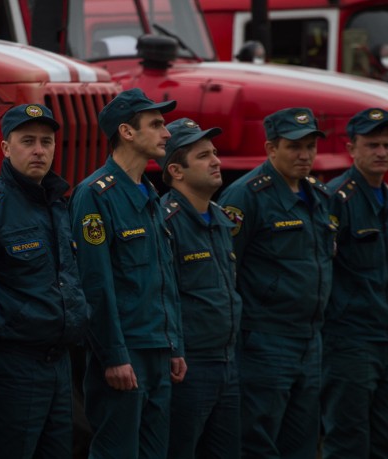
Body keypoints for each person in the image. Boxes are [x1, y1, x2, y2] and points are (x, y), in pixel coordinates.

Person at [68, 88, 186, 458]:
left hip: (156, 350)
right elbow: (96, 285)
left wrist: (174, 344)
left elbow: (164, 278)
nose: (166, 133)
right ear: (127, 132)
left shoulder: (148, 193)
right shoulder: (95, 194)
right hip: (126, 354)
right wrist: (114, 355)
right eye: (156, 124)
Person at [0, 103, 88, 459]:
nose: (39, 150)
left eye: (46, 142)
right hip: (11, 367)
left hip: (58, 364)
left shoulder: (56, 204)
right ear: (6, 147)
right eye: (28, 141)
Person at [218, 107, 335, 459]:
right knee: (257, 441)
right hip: (265, 342)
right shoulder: (246, 196)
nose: (305, 155)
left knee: (301, 443)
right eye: (294, 147)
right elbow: (225, 269)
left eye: (311, 146)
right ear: (271, 149)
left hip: (310, 340)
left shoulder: (318, 198)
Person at [321, 108, 388, 458]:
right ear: (351, 148)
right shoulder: (335, 200)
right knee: (348, 440)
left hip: (386, 337)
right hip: (348, 340)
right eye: (372, 145)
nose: (382, 153)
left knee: (386, 440)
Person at [157, 118, 243, 459]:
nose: (217, 161)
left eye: (215, 153)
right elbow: (164, 295)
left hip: (227, 362)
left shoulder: (221, 220)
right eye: (204, 155)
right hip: (188, 368)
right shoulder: (165, 222)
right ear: (176, 170)